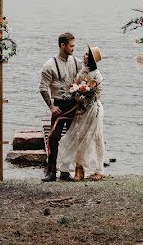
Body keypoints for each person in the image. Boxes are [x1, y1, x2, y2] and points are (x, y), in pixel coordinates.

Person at [56, 46, 105, 181]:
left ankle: (97, 169)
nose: (83, 56)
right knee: (78, 135)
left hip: (93, 109)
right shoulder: (83, 71)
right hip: (81, 108)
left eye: (86, 55)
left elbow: (94, 92)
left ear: (91, 59)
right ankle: (79, 169)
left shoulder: (96, 75)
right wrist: (75, 91)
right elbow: (75, 85)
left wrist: (83, 91)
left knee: (94, 137)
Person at [39, 32, 80, 182]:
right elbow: (43, 88)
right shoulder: (49, 65)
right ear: (62, 45)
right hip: (58, 105)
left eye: (74, 46)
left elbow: (89, 74)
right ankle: (51, 172)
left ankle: (65, 171)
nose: (73, 49)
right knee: (53, 138)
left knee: (71, 138)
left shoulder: (77, 62)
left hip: (73, 105)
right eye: (71, 46)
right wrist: (51, 106)